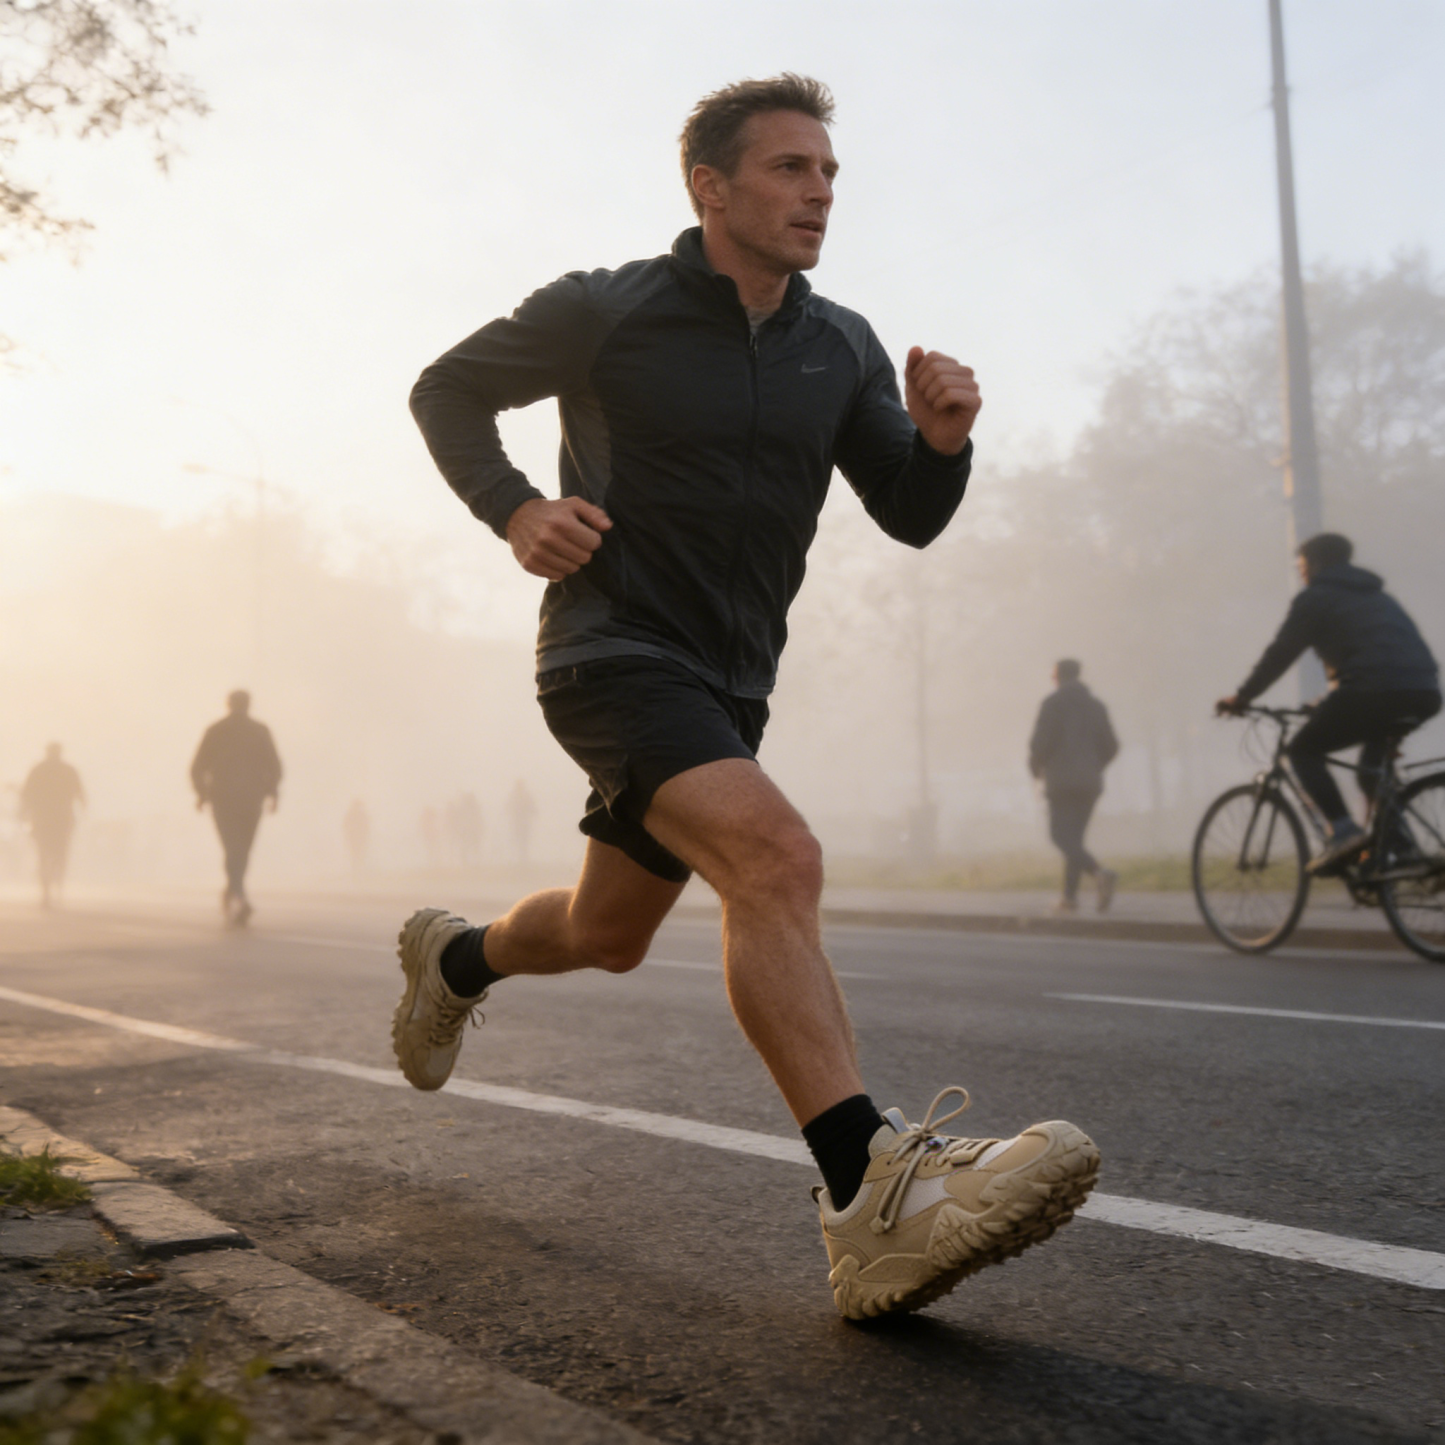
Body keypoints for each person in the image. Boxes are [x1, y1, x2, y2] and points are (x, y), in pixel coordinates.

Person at [393, 74, 1099, 1321]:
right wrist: (515, 507)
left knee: (607, 933)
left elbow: (910, 514)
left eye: (827, 173)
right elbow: (443, 388)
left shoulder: (841, 344)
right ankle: (869, 1190)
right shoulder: (605, 308)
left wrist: (940, 439)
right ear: (709, 187)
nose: (818, 192)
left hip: (729, 685)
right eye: (788, 169)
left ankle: (454, 956)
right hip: (609, 651)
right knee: (776, 856)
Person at [1217, 533, 1441, 873]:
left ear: (1317, 563)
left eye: (1302, 567)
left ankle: (1344, 832)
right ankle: (1404, 851)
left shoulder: (1316, 597)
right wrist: (1328, 701)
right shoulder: (1380, 598)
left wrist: (1243, 697)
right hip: (1422, 692)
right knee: (1372, 772)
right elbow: (1380, 656)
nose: (1302, 574)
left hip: (1371, 692)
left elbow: (1281, 653)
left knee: (1301, 752)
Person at [1028, 660, 1119, 913]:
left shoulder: (1053, 704)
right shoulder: (1096, 706)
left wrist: (1036, 770)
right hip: (1090, 783)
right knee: (1075, 840)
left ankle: (1099, 873)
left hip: (1061, 781)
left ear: (1057, 677)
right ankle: (1069, 899)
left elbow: (1039, 744)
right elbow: (1112, 746)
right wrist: (1094, 765)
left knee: (1060, 836)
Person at [190, 690, 282, 927]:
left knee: (236, 849)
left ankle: (234, 892)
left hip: (227, 800)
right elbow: (274, 766)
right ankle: (239, 894)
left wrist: (202, 794)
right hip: (246, 800)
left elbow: (198, 767)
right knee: (238, 849)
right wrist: (272, 793)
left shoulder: (217, 731)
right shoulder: (258, 731)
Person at [19, 743, 85, 908]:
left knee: (44, 854)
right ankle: (53, 890)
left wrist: (23, 813)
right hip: (60, 819)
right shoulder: (68, 770)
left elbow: (26, 794)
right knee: (59, 853)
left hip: (45, 819)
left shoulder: (38, 770)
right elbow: (81, 794)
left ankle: (48, 892)